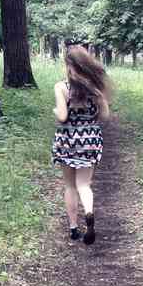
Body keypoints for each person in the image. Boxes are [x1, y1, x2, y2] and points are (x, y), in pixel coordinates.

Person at [52, 44, 111, 244]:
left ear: (69, 65)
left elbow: (62, 116)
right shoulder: (96, 89)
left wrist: (55, 111)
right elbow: (105, 115)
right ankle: (89, 213)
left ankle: (74, 228)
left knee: (69, 185)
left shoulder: (61, 87)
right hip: (90, 141)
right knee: (84, 185)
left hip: (68, 141)